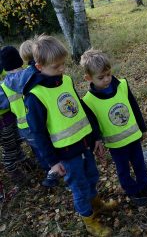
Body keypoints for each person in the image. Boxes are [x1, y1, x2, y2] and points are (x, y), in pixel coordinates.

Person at [24, 35, 115, 237]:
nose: (62, 69)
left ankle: (96, 204)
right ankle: (89, 219)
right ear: (39, 67)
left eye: (63, 64)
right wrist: (52, 163)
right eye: (56, 67)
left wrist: (96, 137)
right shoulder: (35, 96)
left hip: (83, 145)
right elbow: (38, 134)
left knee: (92, 176)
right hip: (65, 154)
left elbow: (79, 109)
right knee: (79, 187)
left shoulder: (65, 80)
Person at [80, 49, 147, 206]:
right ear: (88, 78)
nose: (106, 79)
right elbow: (93, 124)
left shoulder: (123, 86)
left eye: (108, 74)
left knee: (140, 164)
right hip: (116, 145)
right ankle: (133, 192)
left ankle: (145, 186)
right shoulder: (88, 100)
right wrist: (96, 141)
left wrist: (142, 128)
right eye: (101, 77)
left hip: (133, 138)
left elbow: (134, 107)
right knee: (123, 170)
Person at [0, 43, 59, 187]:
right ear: (20, 60)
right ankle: (58, 167)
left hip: (24, 127)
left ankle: (50, 171)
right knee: (48, 144)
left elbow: (3, 105)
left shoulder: (4, 87)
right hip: (41, 120)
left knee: (38, 150)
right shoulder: (32, 73)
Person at [0, 47, 29, 185]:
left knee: (16, 141)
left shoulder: (3, 84)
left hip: (10, 120)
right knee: (9, 147)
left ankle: (22, 159)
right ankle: (12, 169)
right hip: (3, 123)